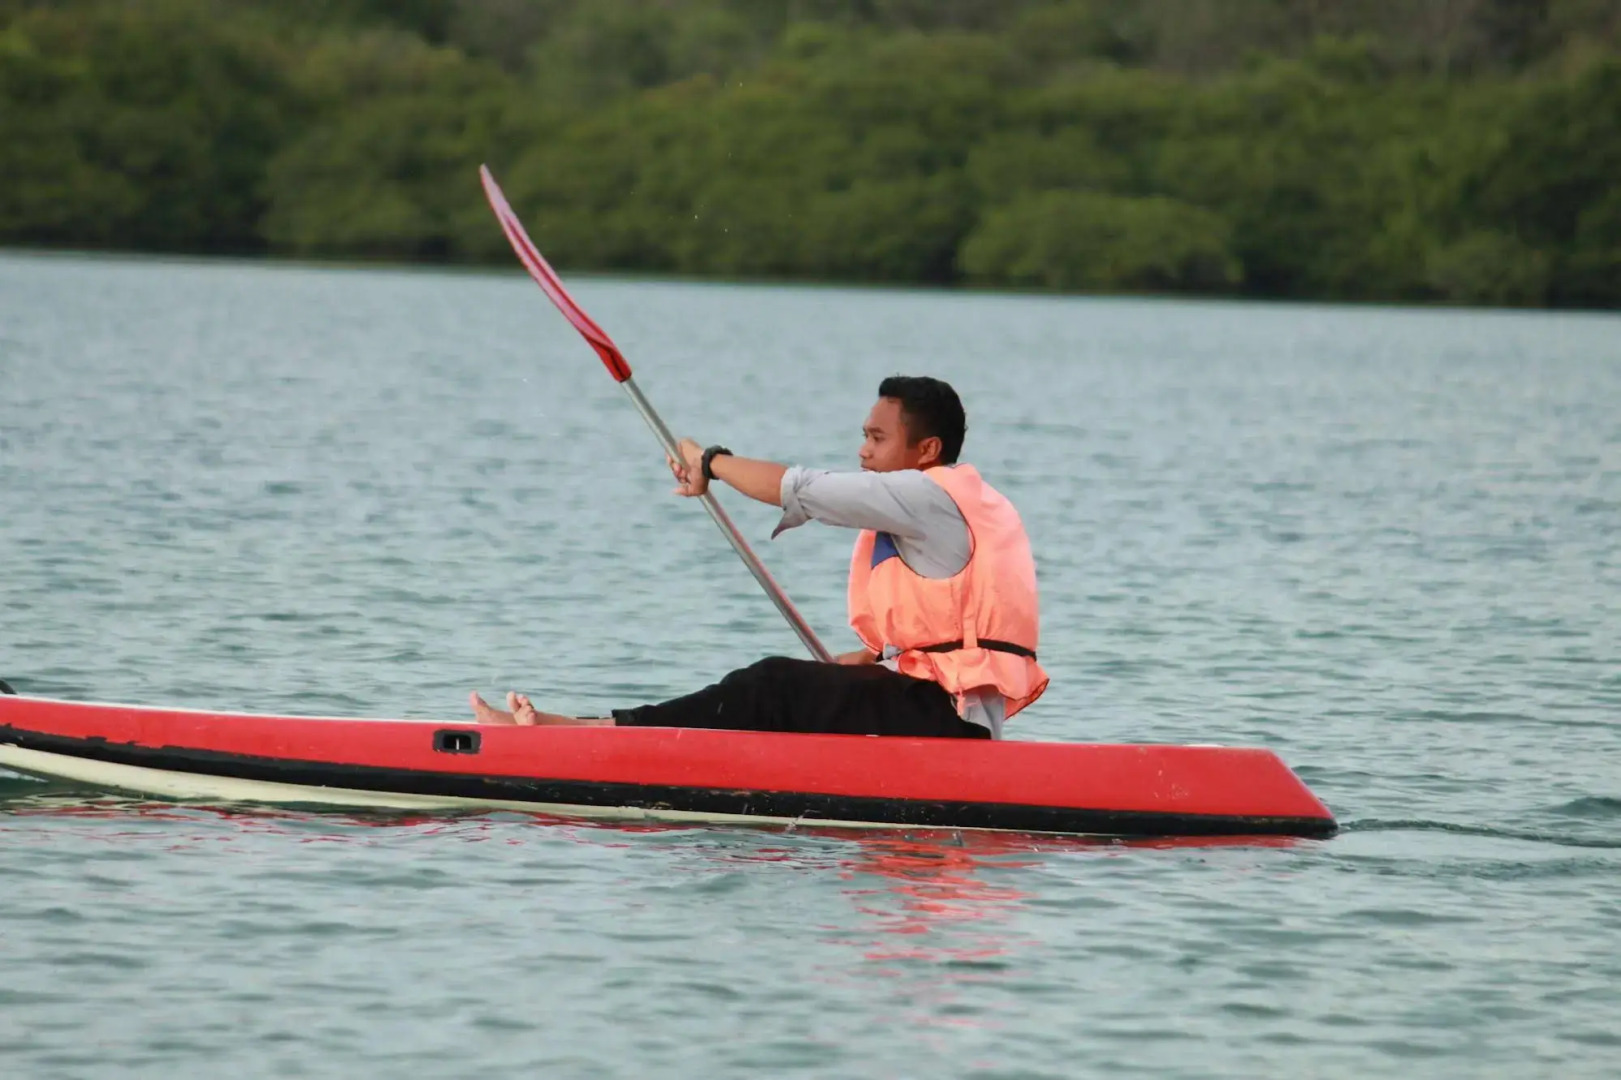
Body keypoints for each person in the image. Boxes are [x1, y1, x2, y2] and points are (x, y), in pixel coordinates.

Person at [469, 375, 1048, 739]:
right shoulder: (942, 504)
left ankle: (579, 736)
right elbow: (928, 642)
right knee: (790, 687)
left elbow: (802, 488)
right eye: (864, 436)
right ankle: (595, 731)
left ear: (927, 449)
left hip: (949, 723)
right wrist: (853, 667)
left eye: (877, 438)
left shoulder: (928, 495)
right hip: (932, 707)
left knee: (771, 684)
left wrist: (711, 460)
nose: (862, 450)